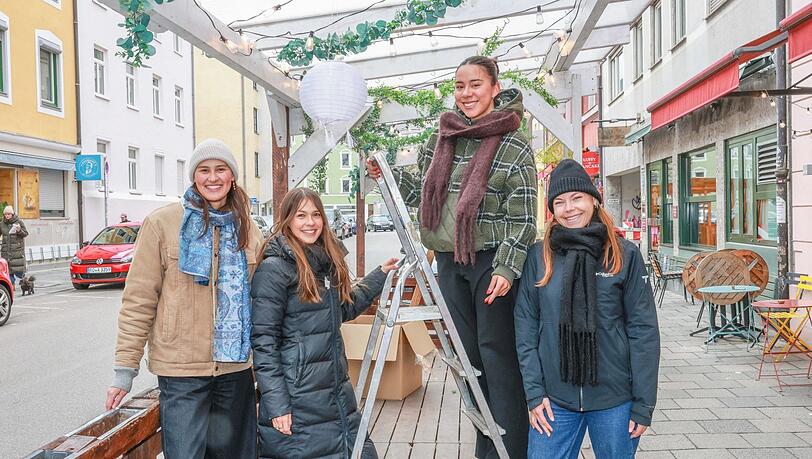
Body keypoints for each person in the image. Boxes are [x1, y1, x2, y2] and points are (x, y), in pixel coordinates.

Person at [366, 55, 536, 458]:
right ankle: (485, 444)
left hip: (492, 264)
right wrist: (387, 173)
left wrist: (508, 268)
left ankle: (510, 449)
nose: (466, 93)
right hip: (449, 262)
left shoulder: (512, 142)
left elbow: (524, 214)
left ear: (495, 88)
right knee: (470, 358)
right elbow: (425, 196)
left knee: (498, 357)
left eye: (475, 84)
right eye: (460, 86)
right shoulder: (442, 137)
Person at [105, 139, 265, 458]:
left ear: (232, 176)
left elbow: (264, 301)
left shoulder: (249, 228)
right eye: (204, 170)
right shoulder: (162, 223)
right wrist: (125, 370)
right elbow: (139, 300)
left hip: (235, 370)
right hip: (181, 372)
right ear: (194, 177)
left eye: (221, 169)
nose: (213, 177)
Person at [514, 159, 660, 458]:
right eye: (560, 202)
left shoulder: (624, 255)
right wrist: (533, 393)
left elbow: (643, 330)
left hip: (614, 399)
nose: (570, 208)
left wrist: (643, 404)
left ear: (594, 200)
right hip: (554, 400)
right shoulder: (539, 257)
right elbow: (525, 326)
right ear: (552, 210)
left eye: (577, 198)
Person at [251, 187, 398, 458]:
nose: (310, 222)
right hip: (298, 397)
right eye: (301, 215)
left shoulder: (323, 263)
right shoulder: (274, 269)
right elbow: (264, 343)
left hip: (334, 390)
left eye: (316, 214)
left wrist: (379, 276)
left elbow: (341, 309)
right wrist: (278, 404)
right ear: (287, 220)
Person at [0, 206, 29, 288]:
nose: (7, 216)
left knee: (19, 272)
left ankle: (26, 283)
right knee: (8, 271)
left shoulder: (19, 222)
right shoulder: (2, 224)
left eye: (9, 214)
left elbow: (25, 234)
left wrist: (19, 230)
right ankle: (12, 285)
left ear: (12, 214)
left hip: (17, 251)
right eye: (5, 214)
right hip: (6, 251)